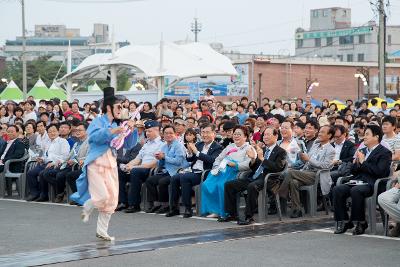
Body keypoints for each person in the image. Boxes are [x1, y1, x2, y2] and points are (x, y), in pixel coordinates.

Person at [70, 87, 138, 241]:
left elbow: (128, 145)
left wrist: (132, 131)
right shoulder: (98, 121)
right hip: (96, 162)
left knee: (112, 198)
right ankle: (88, 205)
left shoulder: (118, 123)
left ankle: (102, 230)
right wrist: (111, 131)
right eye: (119, 107)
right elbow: (93, 138)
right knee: (101, 195)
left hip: (111, 163)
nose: (121, 110)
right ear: (109, 108)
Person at [333, 124, 391, 235]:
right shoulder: (363, 150)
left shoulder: (384, 152)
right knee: (338, 189)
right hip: (358, 180)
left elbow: (379, 172)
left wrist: (363, 162)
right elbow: (354, 172)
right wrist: (357, 164)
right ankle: (345, 221)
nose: (364, 137)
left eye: (367, 134)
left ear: (376, 137)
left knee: (356, 191)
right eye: (364, 134)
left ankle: (361, 222)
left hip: (373, 183)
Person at [223, 127, 287, 224]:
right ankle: (232, 214)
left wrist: (261, 159)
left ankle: (249, 217)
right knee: (229, 185)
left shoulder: (281, 151)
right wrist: (253, 159)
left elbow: (277, 168)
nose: (265, 137)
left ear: (276, 136)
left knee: (252, 186)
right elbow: (254, 167)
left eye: (268, 134)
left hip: (269, 179)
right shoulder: (263, 149)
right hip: (255, 177)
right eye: (264, 135)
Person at [278, 125, 336, 218]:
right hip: (306, 172)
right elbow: (307, 160)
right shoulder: (316, 145)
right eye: (320, 131)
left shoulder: (331, 150)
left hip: (318, 174)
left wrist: (308, 159)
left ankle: (281, 193)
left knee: (290, 172)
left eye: (322, 132)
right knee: (293, 182)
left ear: (329, 135)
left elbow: (325, 165)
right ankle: (297, 209)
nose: (319, 134)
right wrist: (302, 155)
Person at [167, 123, 223, 218]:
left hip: (204, 173)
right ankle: (174, 208)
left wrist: (196, 152)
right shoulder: (199, 144)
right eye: (203, 132)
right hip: (193, 171)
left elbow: (212, 160)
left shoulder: (218, 147)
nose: (205, 135)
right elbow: (190, 159)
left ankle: (188, 208)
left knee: (185, 178)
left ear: (213, 133)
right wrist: (189, 152)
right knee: (174, 178)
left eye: (207, 132)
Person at [201, 125, 255, 219]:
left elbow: (249, 164)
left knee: (221, 186)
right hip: (222, 170)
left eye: (239, 134)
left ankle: (224, 211)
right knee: (207, 184)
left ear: (245, 137)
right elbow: (219, 158)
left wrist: (236, 165)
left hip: (235, 172)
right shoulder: (229, 147)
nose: (236, 136)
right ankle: (214, 210)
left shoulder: (249, 148)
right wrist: (216, 167)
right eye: (235, 134)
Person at [117, 120, 164, 213]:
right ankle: (123, 201)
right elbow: (137, 159)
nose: (147, 133)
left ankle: (134, 204)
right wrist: (128, 165)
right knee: (120, 171)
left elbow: (156, 163)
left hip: (150, 169)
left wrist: (135, 167)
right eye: (146, 131)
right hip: (140, 168)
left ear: (157, 130)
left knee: (135, 172)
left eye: (149, 131)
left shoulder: (162, 144)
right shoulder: (147, 144)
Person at [41, 122, 89, 203]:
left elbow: (90, 155)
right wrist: (60, 162)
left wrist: (74, 161)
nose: (77, 132)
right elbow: (68, 157)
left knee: (64, 175)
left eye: (80, 130)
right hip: (68, 165)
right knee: (47, 173)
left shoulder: (89, 142)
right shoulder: (76, 143)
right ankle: (62, 191)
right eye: (76, 130)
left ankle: (77, 196)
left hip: (79, 166)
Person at [145, 125, 186, 214]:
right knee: (150, 180)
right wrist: (160, 159)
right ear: (162, 135)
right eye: (166, 133)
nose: (168, 135)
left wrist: (165, 157)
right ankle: (156, 204)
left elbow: (179, 162)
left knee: (162, 182)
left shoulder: (178, 146)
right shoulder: (164, 146)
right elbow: (162, 163)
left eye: (171, 133)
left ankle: (166, 205)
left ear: (175, 134)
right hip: (166, 171)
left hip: (176, 171)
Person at [26, 123, 70, 202]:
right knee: (30, 173)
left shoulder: (63, 141)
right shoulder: (48, 142)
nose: (52, 133)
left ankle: (45, 194)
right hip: (47, 163)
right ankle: (34, 193)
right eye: (50, 132)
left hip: (57, 164)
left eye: (54, 131)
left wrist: (55, 162)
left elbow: (65, 156)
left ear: (58, 132)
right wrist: (42, 159)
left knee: (43, 173)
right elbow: (47, 156)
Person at [0, 125, 26, 196]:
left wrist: (3, 160)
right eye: (8, 132)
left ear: (17, 133)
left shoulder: (19, 143)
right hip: (3, 163)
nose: (10, 133)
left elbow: (18, 155)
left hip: (11, 166)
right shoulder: (6, 143)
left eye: (12, 131)